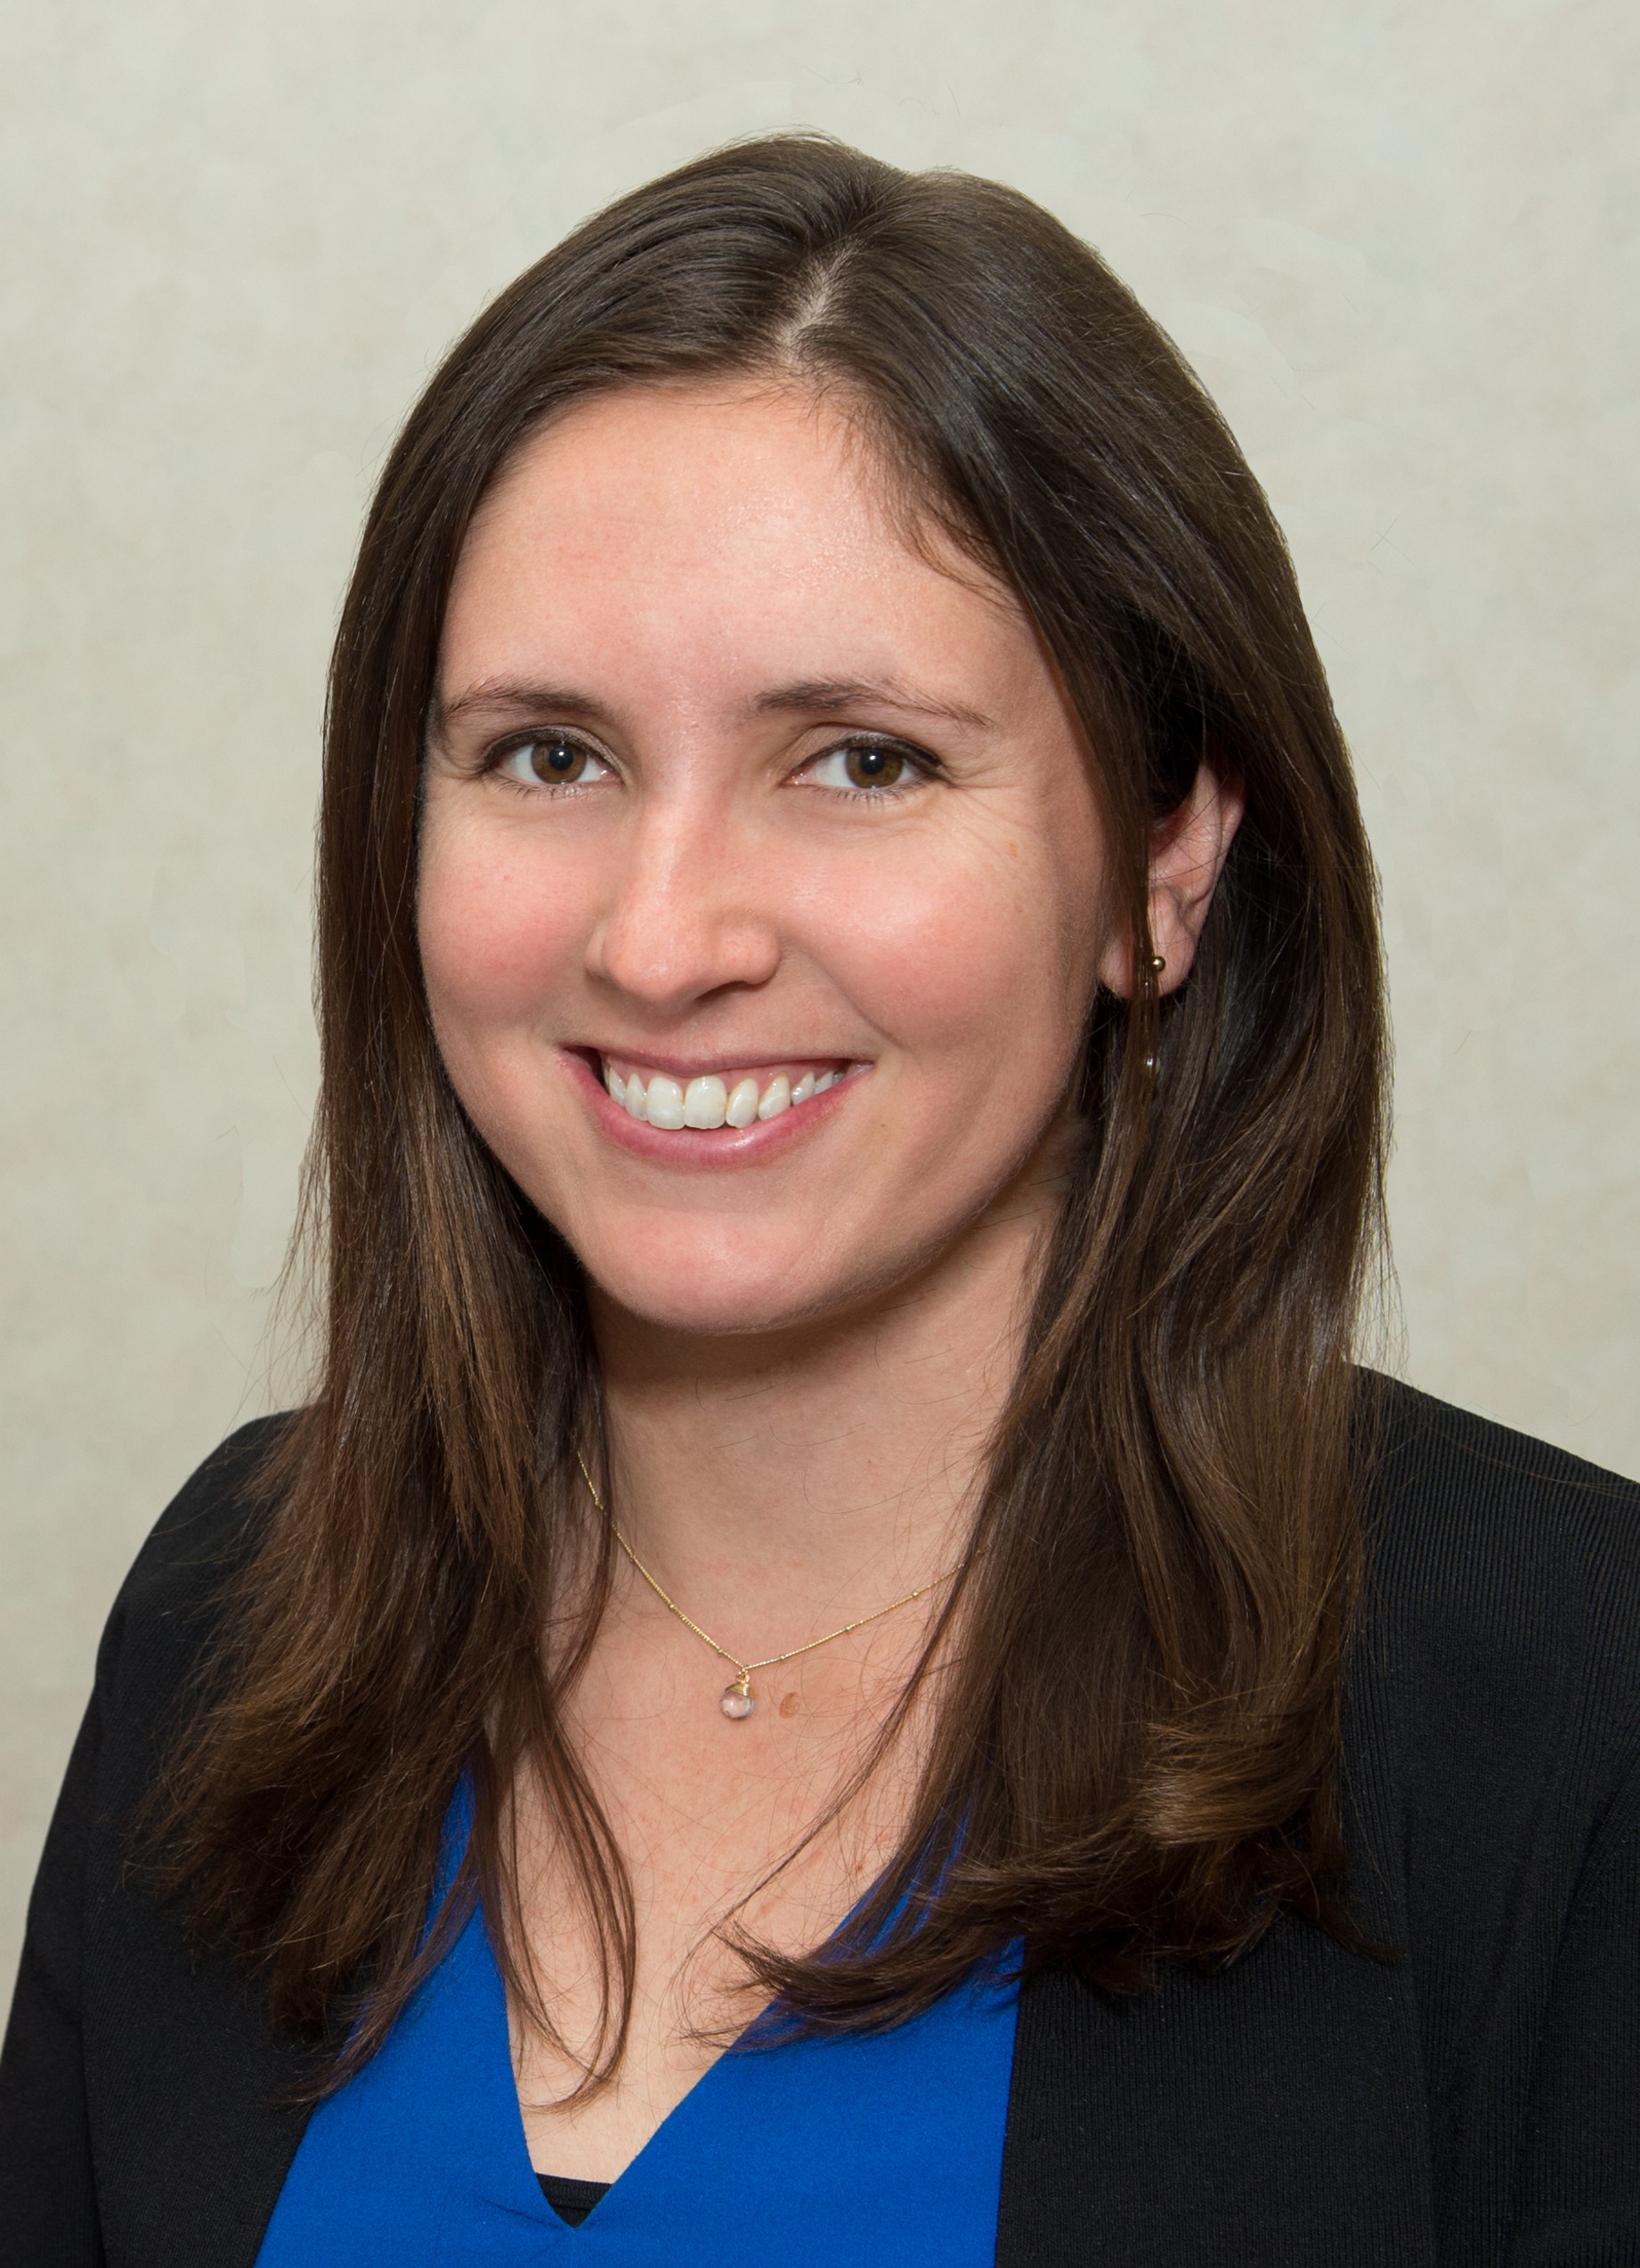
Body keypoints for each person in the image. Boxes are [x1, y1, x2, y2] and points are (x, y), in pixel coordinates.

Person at [1, 133, 1635, 2268]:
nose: (665, 937)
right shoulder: (237, 1603)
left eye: (860, 756)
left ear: (1166, 861)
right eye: (548, 754)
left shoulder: (1567, 1703)